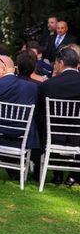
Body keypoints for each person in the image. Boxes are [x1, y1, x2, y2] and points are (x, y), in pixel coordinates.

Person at [36, 48, 80, 186]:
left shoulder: (48, 85)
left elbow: (40, 111)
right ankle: (74, 176)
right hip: (78, 136)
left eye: (55, 63)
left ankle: (57, 175)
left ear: (60, 63)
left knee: (43, 122)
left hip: (53, 136)